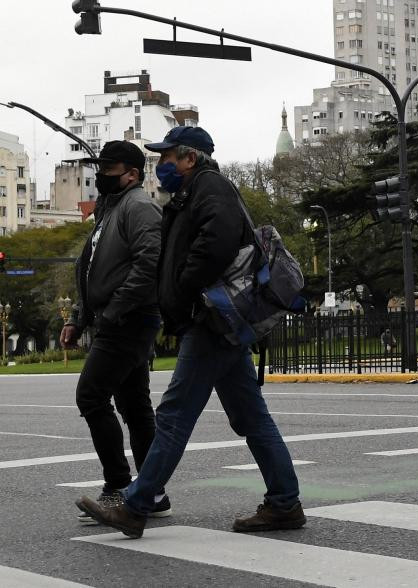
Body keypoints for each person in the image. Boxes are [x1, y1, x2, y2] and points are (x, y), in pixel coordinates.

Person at [76, 126, 304, 538]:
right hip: (212, 319)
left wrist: (180, 292)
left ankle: (136, 504)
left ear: (189, 158)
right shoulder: (194, 192)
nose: (161, 165)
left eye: (166, 157)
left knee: (174, 414)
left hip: (210, 319)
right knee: (251, 417)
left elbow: (213, 248)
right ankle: (284, 502)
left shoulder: (210, 188)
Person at [62, 141, 171, 524]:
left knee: (91, 396)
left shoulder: (139, 206)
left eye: (108, 169)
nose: (100, 176)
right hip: (117, 318)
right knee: (134, 405)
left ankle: (118, 486)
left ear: (132, 174)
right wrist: (79, 316)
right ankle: (151, 491)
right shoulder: (111, 210)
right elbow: (91, 268)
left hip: (128, 320)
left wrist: (112, 312)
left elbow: (148, 265)